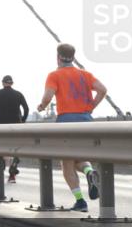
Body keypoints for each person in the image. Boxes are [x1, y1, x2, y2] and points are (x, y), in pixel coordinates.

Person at [37, 43, 106, 212]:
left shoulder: (54, 75)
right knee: (79, 158)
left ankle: (80, 202)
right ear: (73, 57)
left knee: (67, 163)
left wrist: (41, 105)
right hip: (86, 120)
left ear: (58, 57)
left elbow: (48, 96)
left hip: (66, 121)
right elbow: (103, 90)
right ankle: (89, 172)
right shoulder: (85, 74)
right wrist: (91, 107)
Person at [0, 75, 29, 183]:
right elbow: (26, 109)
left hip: (2, 126)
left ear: (3, 83)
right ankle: (12, 172)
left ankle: (1, 166)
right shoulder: (18, 94)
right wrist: (23, 120)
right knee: (16, 149)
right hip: (16, 126)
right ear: (12, 83)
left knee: (1, 148)